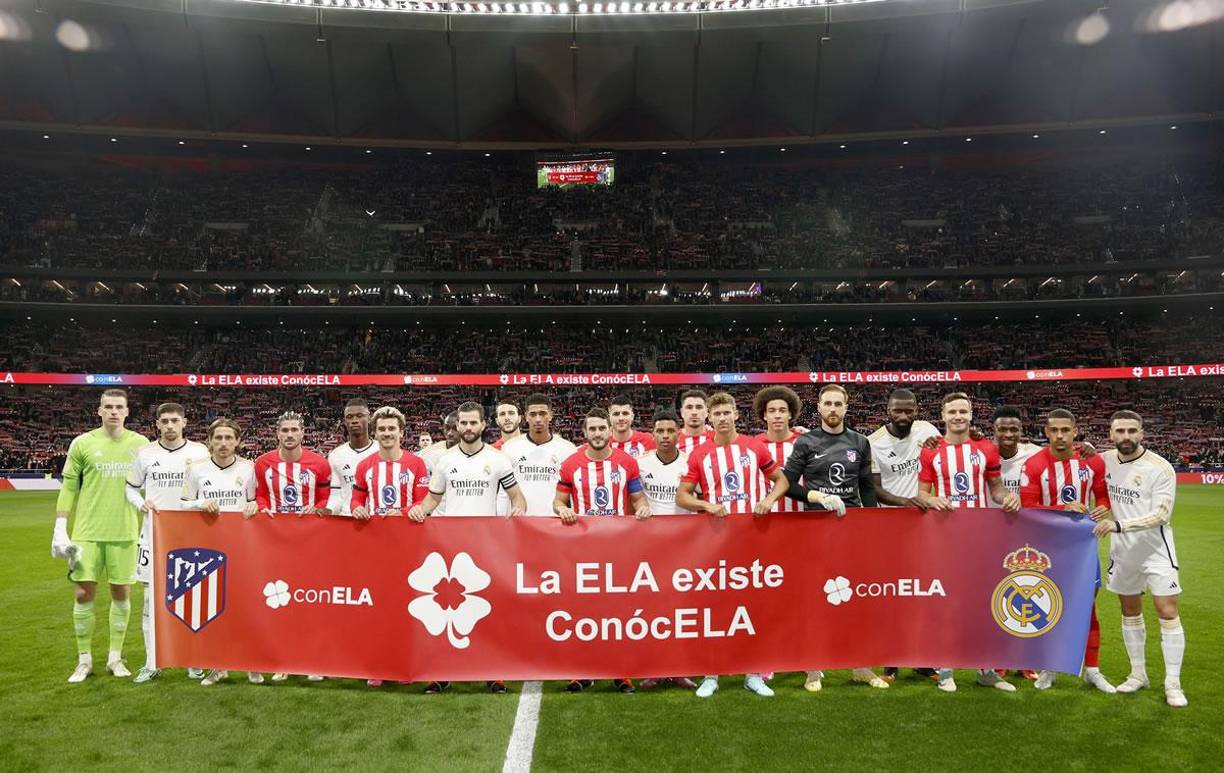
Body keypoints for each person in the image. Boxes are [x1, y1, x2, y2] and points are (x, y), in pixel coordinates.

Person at [408, 401, 526, 694]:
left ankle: (494, 673)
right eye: (464, 423)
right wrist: (419, 510)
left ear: (484, 425)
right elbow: (433, 499)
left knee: (489, 610)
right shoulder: (445, 460)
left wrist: (519, 510)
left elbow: (517, 497)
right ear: (457, 426)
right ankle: (442, 673)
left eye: (474, 423)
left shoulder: (498, 459)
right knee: (446, 611)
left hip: (487, 546)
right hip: (450, 547)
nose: (469, 428)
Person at [675, 392, 788, 698]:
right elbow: (682, 496)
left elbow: (781, 481)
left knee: (754, 606)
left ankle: (754, 674)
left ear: (737, 414)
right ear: (710, 419)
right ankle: (712, 674)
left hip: (754, 539)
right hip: (717, 541)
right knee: (716, 607)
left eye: (727, 412)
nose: (722, 418)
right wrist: (706, 506)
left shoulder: (754, 447)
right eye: (717, 414)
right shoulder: (699, 455)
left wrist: (767, 500)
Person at [782, 384, 885, 692]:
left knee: (856, 599)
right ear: (819, 407)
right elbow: (786, 484)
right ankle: (813, 669)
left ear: (846, 406)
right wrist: (816, 495)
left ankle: (861, 666)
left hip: (850, 530)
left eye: (838, 403)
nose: (833, 409)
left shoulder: (860, 441)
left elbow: (866, 485)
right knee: (816, 601)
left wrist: (871, 522)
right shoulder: (807, 441)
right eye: (827, 403)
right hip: (815, 530)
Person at [917, 392, 1020, 693]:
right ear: (943, 415)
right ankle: (946, 669)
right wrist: (933, 499)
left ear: (971, 414)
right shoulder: (930, 452)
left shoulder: (987, 449)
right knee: (948, 602)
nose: (958, 416)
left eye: (963, 411)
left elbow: (997, 489)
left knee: (983, 603)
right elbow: (921, 493)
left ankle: (985, 669)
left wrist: (1007, 498)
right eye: (953, 411)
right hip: (946, 534)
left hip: (981, 535)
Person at [52, 389, 148, 683]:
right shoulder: (82, 443)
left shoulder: (141, 444)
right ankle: (84, 660)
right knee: (83, 594)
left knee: (121, 592)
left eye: (119, 407)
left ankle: (115, 658)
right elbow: (69, 486)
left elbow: (151, 485)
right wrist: (60, 526)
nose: (114, 411)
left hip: (126, 531)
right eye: (109, 407)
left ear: (127, 411)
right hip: (87, 533)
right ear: (99, 410)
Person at [554, 407, 651, 695]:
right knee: (582, 612)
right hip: (582, 548)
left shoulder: (627, 463)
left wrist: (643, 508)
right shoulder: (571, 464)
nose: (597, 434)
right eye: (592, 429)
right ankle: (582, 671)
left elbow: (637, 498)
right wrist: (563, 510)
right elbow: (558, 501)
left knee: (618, 612)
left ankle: (621, 672)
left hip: (619, 547)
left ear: (610, 431)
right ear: (584, 432)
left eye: (602, 429)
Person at [1094, 410, 1186, 708]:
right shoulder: (1103, 460)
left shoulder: (1160, 468)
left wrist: (1118, 525)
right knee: (1130, 610)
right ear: (1111, 434)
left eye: (1132, 431)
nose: (1126, 437)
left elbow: (1162, 514)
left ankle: (1173, 683)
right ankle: (1138, 674)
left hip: (1156, 551)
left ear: (1142, 433)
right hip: (1123, 553)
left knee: (1167, 612)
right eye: (1120, 431)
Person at [1018, 408, 1115, 693]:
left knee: (1087, 606)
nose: (1059, 436)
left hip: (1083, 547)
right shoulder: (1034, 465)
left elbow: (1104, 499)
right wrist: (1063, 508)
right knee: (1050, 606)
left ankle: (1093, 670)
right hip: (1047, 547)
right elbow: (1028, 508)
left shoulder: (1092, 462)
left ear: (1075, 431)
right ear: (1046, 433)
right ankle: (1049, 668)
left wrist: (1102, 510)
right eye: (1054, 430)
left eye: (1065, 430)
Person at [124, 402, 209, 683]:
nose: (170, 425)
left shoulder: (199, 452)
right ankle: (152, 661)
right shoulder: (145, 453)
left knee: (193, 599)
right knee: (151, 600)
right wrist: (140, 503)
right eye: (165, 421)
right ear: (157, 424)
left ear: (185, 422)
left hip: (191, 536)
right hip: (153, 536)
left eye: (175, 420)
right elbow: (130, 487)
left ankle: (193, 660)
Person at [179, 418, 262, 686]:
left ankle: (251, 663)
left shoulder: (249, 469)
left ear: (238, 441)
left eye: (229, 438)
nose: (223, 443)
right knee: (214, 608)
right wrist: (201, 503)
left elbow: (254, 502)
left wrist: (254, 507)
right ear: (210, 441)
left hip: (242, 547)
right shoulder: (196, 469)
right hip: (208, 547)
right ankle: (218, 666)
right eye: (218, 438)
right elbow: (182, 505)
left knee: (246, 607)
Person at [254, 411, 332, 683]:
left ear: (302, 433)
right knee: (279, 602)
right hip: (276, 542)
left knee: (311, 600)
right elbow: (260, 495)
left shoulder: (319, 464)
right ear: (277, 434)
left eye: (294, 430)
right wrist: (264, 510)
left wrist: (319, 508)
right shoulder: (263, 463)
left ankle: (313, 660)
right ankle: (284, 660)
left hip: (311, 542)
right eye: (284, 430)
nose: (289, 434)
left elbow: (325, 497)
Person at [635, 408, 697, 691]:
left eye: (670, 431)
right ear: (652, 434)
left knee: (683, 609)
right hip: (650, 546)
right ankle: (655, 668)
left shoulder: (689, 463)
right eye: (660, 431)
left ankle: (680, 668)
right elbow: (632, 498)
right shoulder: (641, 464)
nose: (665, 436)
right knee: (652, 609)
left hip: (685, 545)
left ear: (678, 434)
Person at [501, 393, 576, 516]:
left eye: (542, 413)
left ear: (551, 415)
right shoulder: (510, 448)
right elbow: (504, 493)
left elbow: (573, 492)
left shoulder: (568, 449)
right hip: (521, 522)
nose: (538, 419)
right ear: (526, 416)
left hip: (555, 523)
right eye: (533, 414)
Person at [752, 386, 805, 514]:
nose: (777, 415)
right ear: (764, 415)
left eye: (782, 410)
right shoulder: (753, 445)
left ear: (790, 414)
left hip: (800, 516)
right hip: (764, 517)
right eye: (772, 411)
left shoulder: (804, 442)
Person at [325, 398, 377, 517]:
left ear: (369, 418)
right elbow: (336, 494)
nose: (354, 420)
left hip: (376, 519)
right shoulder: (336, 455)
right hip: (347, 519)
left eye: (359, 416)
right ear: (344, 421)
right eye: (350, 417)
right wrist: (329, 510)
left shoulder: (381, 451)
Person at [993, 406, 1041, 497]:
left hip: (1026, 511)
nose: (1008, 434)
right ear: (994, 430)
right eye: (1002, 429)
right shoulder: (983, 457)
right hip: (992, 511)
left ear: (1021, 431)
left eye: (1013, 429)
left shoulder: (1035, 453)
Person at [676, 389, 713, 455]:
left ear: (707, 412)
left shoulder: (719, 439)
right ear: (682, 412)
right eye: (689, 407)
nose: (694, 412)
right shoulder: (672, 440)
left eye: (699, 407)